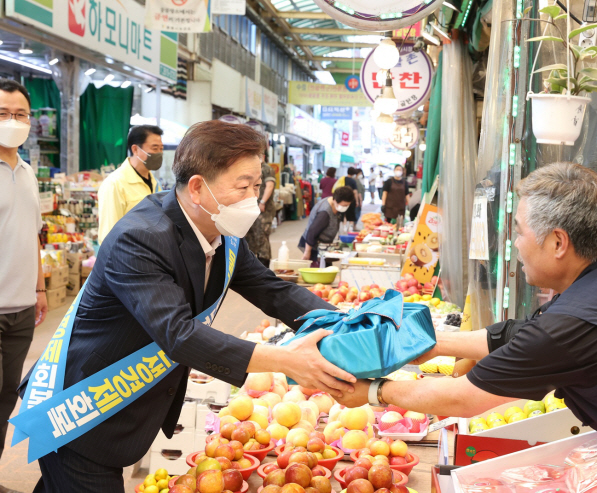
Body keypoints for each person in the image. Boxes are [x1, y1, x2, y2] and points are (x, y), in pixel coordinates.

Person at [336, 162, 597, 491]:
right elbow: (523, 332)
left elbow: (462, 398)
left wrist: (373, 392)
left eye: (520, 231)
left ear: (558, 242)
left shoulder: (575, 326)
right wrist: (436, 344)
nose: (516, 242)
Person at [21, 121, 355, 493]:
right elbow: (179, 335)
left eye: (257, 186)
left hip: (122, 404)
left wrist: (344, 324)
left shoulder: (220, 233)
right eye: (243, 186)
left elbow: (271, 288)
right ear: (198, 188)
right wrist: (287, 359)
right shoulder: (142, 238)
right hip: (83, 409)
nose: (252, 199)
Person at [0, 79, 46, 493]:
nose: (13, 121)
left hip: (20, 309)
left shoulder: (28, 172)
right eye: (3, 114)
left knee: (4, 399)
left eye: (20, 114)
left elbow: (33, 234)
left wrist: (40, 289)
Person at [98, 125, 164, 243]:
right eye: (154, 148)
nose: (159, 153)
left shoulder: (155, 183)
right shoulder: (115, 184)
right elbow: (108, 233)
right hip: (126, 256)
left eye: (161, 148)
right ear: (135, 149)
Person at [299, 186, 355, 267]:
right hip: (314, 246)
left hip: (325, 246)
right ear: (335, 200)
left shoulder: (334, 202)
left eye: (348, 205)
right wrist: (307, 252)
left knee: (327, 268)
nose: (345, 207)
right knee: (318, 272)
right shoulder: (324, 213)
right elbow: (312, 232)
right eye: (344, 205)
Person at [244, 161, 277, 268]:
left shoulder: (266, 169)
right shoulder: (248, 168)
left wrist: (262, 202)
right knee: (250, 237)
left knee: (262, 237)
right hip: (250, 208)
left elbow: (270, 186)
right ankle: (251, 265)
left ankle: (264, 267)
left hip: (263, 209)